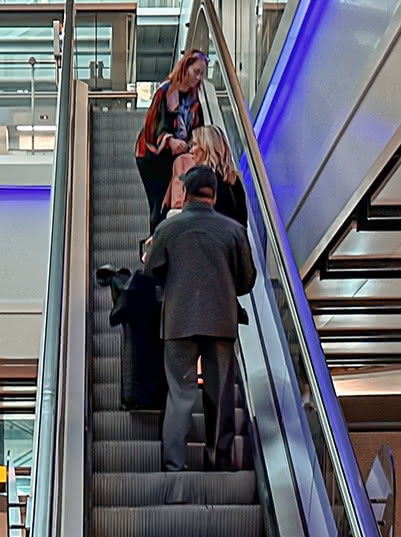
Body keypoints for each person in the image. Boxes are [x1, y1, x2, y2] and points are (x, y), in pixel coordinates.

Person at [144, 165, 255, 473]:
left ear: (187, 194)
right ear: (214, 196)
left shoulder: (167, 230)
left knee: (180, 395)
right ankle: (218, 460)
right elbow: (247, 281)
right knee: (219, 396)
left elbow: (151, 271)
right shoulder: (234, 231)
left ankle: (173, 465)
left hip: (179, 321)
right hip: (221, 322)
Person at [135, 50, 207, 229]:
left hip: (176, 157)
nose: (198, 77)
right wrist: (169, 141)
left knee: (172, 200)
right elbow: (152, 126)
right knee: (158, 202)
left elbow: (199, 127)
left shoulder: (194, 98)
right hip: (152, 157)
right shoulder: (165, 92)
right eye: (195, 71)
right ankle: (155, 242)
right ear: (185, 67)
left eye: (201, 74)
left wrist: (193, 144)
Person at [165, 126, 247, 225]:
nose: (191, 151)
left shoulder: (205, 180)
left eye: (195, 144)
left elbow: (200, 216)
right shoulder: (233, 179)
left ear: (207, 147)